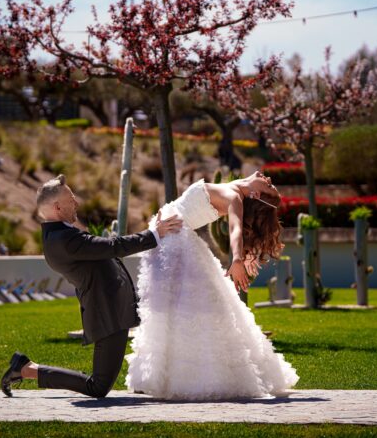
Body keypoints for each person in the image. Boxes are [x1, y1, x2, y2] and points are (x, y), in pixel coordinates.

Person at [0, 174, 183, 398]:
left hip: (114, 307)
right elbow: (113, 246)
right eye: (71, 200)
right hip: (108, 313)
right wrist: (155, 234)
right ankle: (27, 370)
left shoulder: (60, 236)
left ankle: (154, 380)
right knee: (97, 386)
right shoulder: (62, 240)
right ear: (57, 207)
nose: (76, 203)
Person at [126, 171, 299, 400]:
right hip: (169, 233)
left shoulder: (234, 196)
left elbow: (236, 228)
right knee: (167, 309)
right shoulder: (233, 189)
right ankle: (157, 376)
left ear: (256, 193)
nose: (268, 178)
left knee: (182, 308)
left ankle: (191, 376)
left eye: (270, 185)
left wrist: (237, 259)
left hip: (175, 237)